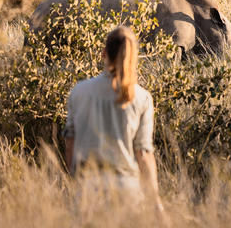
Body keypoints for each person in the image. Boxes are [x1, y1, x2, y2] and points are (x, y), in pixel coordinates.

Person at [63, 26, 162, 211]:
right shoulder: (142, 98)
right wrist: (156, 204)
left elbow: (70, 143)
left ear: (104, 53)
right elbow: (143, 154)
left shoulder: (79, 91)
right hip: (128, 192)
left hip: (88, 191)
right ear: (134, 57)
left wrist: (75, 181)